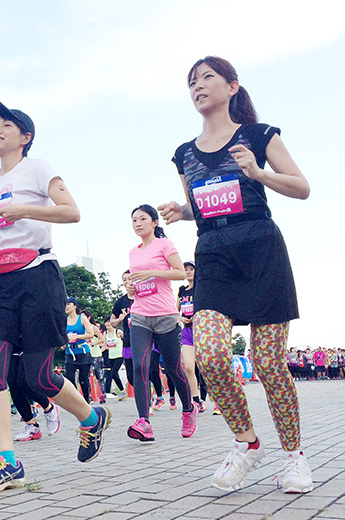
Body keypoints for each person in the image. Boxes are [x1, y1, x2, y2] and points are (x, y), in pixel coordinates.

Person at [159, 56, 313, 493]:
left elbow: (301, 187)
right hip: (214, 254)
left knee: (268, 362)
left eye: (207, 77)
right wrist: (181, 211)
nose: (198, 86)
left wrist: (257, 172)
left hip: (261, 248)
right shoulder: (184, 154)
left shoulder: (259, 136)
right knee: (209, 355)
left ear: (231, 86)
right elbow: (202, 204)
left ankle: (294, 457)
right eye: (192, 81)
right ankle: (247, 443)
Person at [0, 99, 110, 493]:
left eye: (6, 124)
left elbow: (71, 211)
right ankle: (7, 462)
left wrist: (24, 209)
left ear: (25, 137)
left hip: (38, 276)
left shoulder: (39, 167)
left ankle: (91, 419)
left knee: (38, 376)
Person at [126, 205, 194, 443]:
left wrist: (152, 272)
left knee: (174, 369)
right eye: (134, 220)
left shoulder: (164, 245)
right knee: (139, 367)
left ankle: (189, 410)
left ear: (155, 222)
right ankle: (144, 422)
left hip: (165, 316)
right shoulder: (133, 252)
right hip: (139, 315)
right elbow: (137, 283)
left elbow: (180, 273)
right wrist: (131, 288)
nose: (137, 224)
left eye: (142, 219)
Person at [177, 261, 206, 411]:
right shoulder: (182, 291)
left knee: (206, 368)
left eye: (191, 269)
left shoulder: (202, 288)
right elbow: (175, 311)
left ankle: (214, 400)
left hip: (202, 331)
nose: (188, 272)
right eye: (185, 269)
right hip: (187, 332)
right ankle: (196, 401)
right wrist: (181, 318)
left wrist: (197, 317)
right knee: (189, 367)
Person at [108, 271, 134, 400]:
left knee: (147, 370)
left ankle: (149, 398)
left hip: (145, 339)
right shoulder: (120, 302)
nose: (127, 282)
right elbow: (111, 321)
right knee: (131, 377)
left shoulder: (143, 298)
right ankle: (146, 394)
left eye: (130, 278)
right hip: (128, 341)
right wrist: (119, 319)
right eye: (124, 279)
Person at [64, 298, 94, 401]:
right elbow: (62, 335)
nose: (66, 306)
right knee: (69, 378)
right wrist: (63, 343)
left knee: (83, 379)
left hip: (83, 352)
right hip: (70, 352)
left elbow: (90, 334)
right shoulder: (64, 320)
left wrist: (77, 336)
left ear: (75, 306)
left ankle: (86, 401)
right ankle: (76, 401)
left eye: (68, 304)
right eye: (65, 304)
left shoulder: (82, 318)